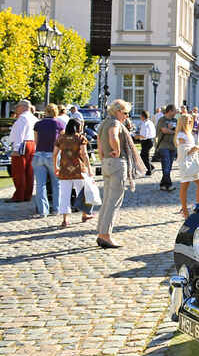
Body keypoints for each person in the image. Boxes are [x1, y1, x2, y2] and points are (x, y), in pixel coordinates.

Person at [97, 99, 145, 249]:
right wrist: (117, 150)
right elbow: (113, 136)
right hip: (117, 163)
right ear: (117, 111)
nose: (126, 116)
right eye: (124, 113)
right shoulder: (115, 124)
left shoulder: (104, 123)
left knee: (107, 200)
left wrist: (102, 157)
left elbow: (99, 143)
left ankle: (101, 232)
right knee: (114, 201)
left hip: (106, 162)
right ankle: (106, 235)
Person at [54, 118, 94, 227]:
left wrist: (55, 167)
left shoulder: (61, 138)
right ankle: (84, 214)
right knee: (81, 193)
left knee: (65, 194)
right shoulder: (80, 138)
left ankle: (65, 219)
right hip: (78, 169)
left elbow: (55, 154)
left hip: (64, 169)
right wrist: (89, 168)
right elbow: (85, 154)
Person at [31, 104, 64, 217]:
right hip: (53, 154)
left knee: (40, 184)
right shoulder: (59, 123)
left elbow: (36, 141)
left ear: (45, 112)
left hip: (39, 154)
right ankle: (56, 209)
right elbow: (62, 141)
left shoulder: (38, 124)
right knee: (57, 183)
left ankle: (43, 211)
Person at [173, 114, 199, 219]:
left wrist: (194, 148)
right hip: (186, 163)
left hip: (192, 162)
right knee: (185, 185)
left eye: (191, 121)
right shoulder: (181, 135)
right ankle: (185, 210)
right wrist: (194, 148)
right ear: (183, 123)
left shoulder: (188, 134)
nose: (191, 123)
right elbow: (182, 152)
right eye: (188, 121)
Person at [7, 99, 37, 203]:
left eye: (17, 107)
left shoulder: (22, 118)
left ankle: (19, 194)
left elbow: (20, 134)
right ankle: (27, 194)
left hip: (23, 144)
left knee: (19, 171)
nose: (16, 110)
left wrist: (16, 149)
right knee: (29, 171)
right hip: (32, 144)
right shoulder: (33, 118)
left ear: (22, 107)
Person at [155, 105, 178, 192]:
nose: (176, 112)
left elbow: (179, 130)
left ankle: (163, 184)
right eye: (174, 111)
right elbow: (164, 130)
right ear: (170, 111)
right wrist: (173, 131)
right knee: (166, 164)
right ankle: (169, 184)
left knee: (169, 166)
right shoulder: (162, 120)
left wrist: (172, 130)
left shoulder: (175, 120)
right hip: (163, 145)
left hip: (173, 145)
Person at [137, 110, 155, 175]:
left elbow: (144, 135)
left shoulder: (145, 124)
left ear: (142, 116)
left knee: (145, 156)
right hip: (150, 140)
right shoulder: (149, 122)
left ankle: (149, 171)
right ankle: (151, 167)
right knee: (143, 156)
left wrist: (137, 137)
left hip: (146, 141)